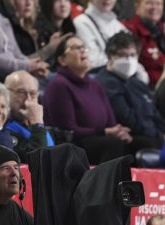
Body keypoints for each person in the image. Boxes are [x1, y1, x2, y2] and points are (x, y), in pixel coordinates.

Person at [43, 34, 131, 165]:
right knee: (113, 144)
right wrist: (104, 132)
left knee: (139, 143)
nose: (82, 50)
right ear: (62, 60)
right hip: (72, 144)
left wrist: (119, 132)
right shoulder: (59, 85)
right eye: (75, 48)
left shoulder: (95, 84)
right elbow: (67, 129)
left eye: (83, 47)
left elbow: (111, 122)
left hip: (97, 140)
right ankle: (101, 184)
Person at [95, 32, 165, 149]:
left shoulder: (137, 83)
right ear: (110, 56)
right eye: (122, 55)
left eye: (133, 55)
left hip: (152, 136)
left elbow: (154, 113)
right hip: (134, 139)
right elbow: (127, 120)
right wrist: (159, 137)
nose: (128, 60)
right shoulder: (106, 84)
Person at [4, 70, 55, 161]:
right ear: (5, 94)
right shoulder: (2, 128)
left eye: (33, 93)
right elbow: (37, 161)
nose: (28, 100)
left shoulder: (41, 125)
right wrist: (37, 125)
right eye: (21, 92)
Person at [73, 0, 128, 71]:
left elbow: (132, 54)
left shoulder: (118, 25)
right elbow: (92, 60)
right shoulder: (81, 22)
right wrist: (122, 60)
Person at [123, 0, 165, 87]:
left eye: (158, 4)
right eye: (149, 3)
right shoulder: (129, 31)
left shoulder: (162, 31)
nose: (154, 7)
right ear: (137, 7)